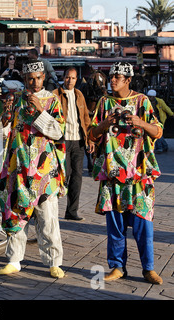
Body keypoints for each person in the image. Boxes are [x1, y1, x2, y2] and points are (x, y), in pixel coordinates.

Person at [88, 62, 163, 285]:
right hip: (113, 175)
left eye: (117, 77)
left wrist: (141, 122)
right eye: (111, 76)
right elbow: (92, 135)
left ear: (128, 80)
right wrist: (104, 124)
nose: (112, 80)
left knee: (143, 223)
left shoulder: (142, 101)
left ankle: (148, 268)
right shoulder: (104, 102)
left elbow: (158, 131)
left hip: (139, 175)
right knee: (115, 226)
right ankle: (117, 267)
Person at [0, 59, 66, 279]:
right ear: (24, 80)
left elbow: (57, 131)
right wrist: (5, 116)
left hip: (44, 171)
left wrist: (38, 110)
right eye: (30, 79)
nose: (34, 82)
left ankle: (54, 262)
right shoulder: (16, 99)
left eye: (38, 78)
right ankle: (14, 260)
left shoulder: (52, 100)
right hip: (18, 167)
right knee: (16, 214)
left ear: (44, 77)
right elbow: (2, 131)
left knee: (48, 218)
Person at [53, 67, 95, 221]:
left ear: (77, 79)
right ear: (63, 78)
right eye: (67, 77)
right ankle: (50, 211)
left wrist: (89, 139)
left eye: (73, 78)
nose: (69, 81)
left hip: (78, 141)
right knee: (63, 176)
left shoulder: (79, 95)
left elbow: (85, 119)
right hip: (62, 141)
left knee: (77, 177)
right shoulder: (55, 95)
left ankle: (72, 212)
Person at [147, 89, 173, 153]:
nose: (149, 98)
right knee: (158, 134)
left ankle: (160, 147)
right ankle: (164, 146)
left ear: (154, 97)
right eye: (148, 96)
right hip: (151, 119)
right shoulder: (147, 101)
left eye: (150, 97)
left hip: (159, 119)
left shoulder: (159, 101)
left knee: (156, 133)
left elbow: (166, 108)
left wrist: (172, 114)